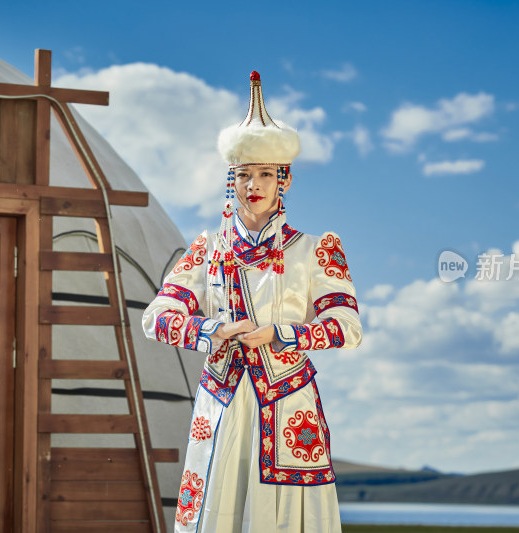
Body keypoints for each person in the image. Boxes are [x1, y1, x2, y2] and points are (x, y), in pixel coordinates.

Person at [142, 71, 362, 533]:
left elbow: (347, 326)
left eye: (266, 174)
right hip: (222, 397)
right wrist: (210, 330)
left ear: (285, 180)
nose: (254, 185)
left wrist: (283, 334)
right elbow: (157, 316)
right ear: (231, 180)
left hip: (287, 402)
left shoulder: (315, 249)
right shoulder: (207, 249)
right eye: (244, 174)